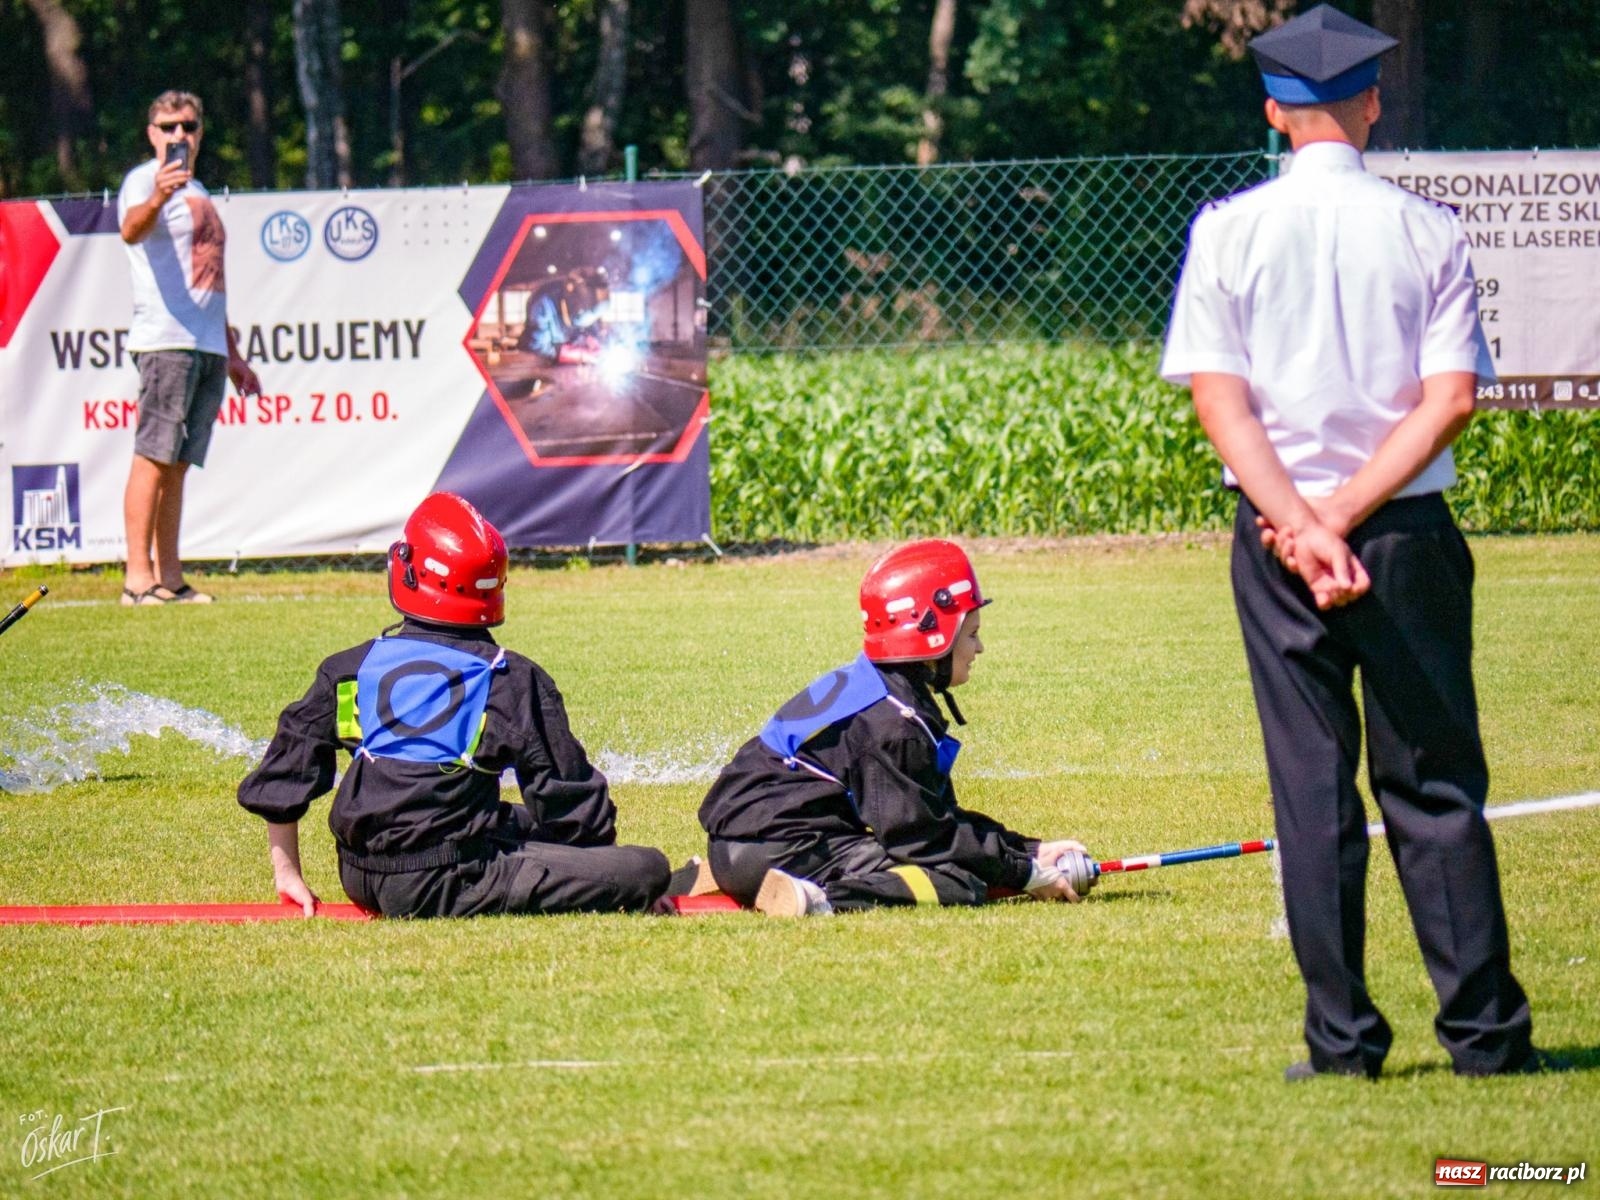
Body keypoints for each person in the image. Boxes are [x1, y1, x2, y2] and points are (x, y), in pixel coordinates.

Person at [1160, 4, 1537, 1078]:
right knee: (1433, 786)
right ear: (1373, 103)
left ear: (1273, 111)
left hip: (1277, 537)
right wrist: (1346, 516)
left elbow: (1221, 403)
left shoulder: (1226, 229)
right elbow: (1449, 400)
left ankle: (1341, 1043)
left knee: (1312, 791)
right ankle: (1484, 1037)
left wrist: (1300, 522)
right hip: (1404, 531)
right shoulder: (1428, 229)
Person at [238, 492, 672, 919]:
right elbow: (571, 804)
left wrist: (287, 873)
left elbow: (285, 769)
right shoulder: (510, 678)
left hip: (357, 873)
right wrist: (606, 873)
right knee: (647, 867)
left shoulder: (350, 667)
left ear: (407, 573)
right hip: (445, 881)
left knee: (520, 822)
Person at [697, 538, 1096, 917]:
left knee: (956, 860)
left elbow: (936, 816)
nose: (979, 648)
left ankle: (732, 876)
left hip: (742, 845)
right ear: (933, 636)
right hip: (775, 853)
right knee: (956, 881)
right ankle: (817, 899)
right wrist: (1025, 874)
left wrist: (1029, 850)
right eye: (972, 634)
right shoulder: (893, 723)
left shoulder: (878, 688)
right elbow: (924, 838)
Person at [117, 90, 261, 607]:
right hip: (166, 339)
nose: (179, 134)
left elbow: (211, 281)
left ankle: (171, 578)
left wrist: (233, 353)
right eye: (168, 126)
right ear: (152, 133)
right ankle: (138, 579)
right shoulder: (144, 181)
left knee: (178, 463)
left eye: (188, 126)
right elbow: (130, 232)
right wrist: (158, 196)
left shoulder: (198, 188)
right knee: (153, 457)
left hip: (206, 343)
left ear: (199, 133)